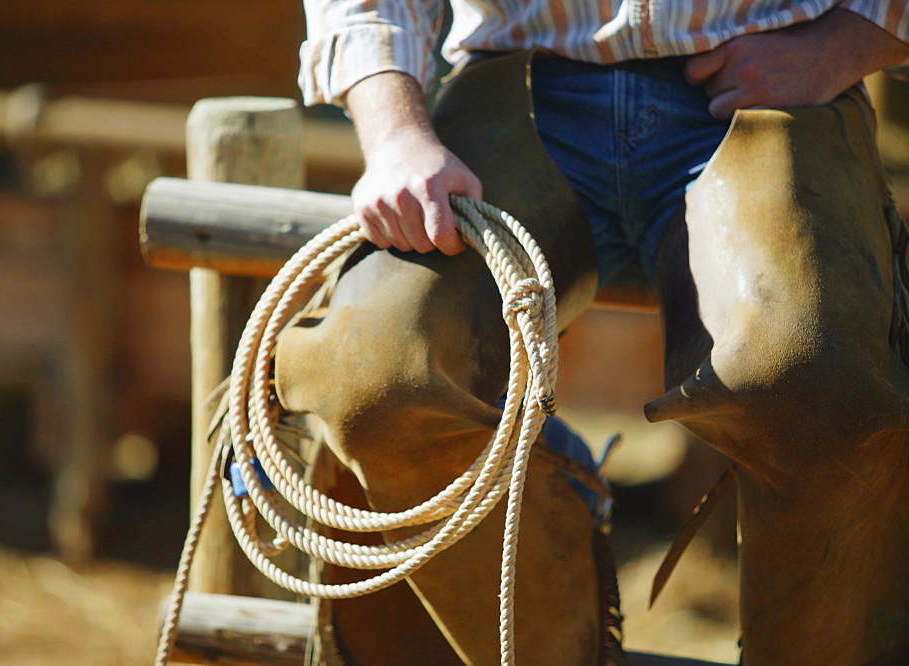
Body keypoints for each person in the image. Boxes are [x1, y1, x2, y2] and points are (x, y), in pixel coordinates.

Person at [282, 2, 909, 663]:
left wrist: (854, 40)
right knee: (371, 373)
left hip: (773, 79)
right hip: (515, 86)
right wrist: (395, 136)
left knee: (823, 385)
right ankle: (557, 625)